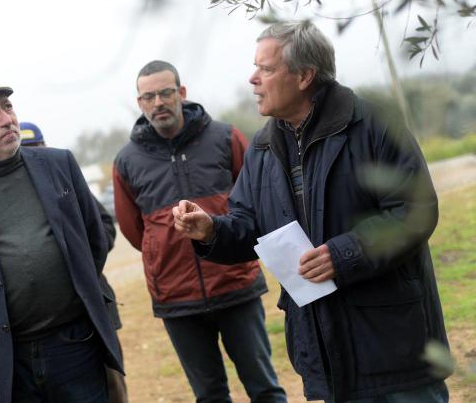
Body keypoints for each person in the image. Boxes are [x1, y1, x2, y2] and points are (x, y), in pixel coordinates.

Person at [172, 21, 450, 403]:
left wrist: (343, 255)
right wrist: (212, 231)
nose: (253, 79)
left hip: (394, 349)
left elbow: (415, 210)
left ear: (304, 76)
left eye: (266, 68)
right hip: (326, 353)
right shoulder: (263, 148)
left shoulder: (373, 125)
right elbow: (250, 225)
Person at [0, 83, 122, 403]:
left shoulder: (59, 165)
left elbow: (94, 241)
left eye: (8, 107)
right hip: (7, 360)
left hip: (76, 345)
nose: (6, 119)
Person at [113, 60, 286, 403]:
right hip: (177, 296)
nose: (158, 103)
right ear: (140, 103)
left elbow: (256, 200)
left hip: (235, 284)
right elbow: (134, 230)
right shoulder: (127, 161)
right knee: (209, 396)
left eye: (165, 93)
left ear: (181, 92)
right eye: (149, 97)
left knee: (265, 388)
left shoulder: (225, 137)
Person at [19, 121, 128, 403]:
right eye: (25, 149)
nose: (33, 153)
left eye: (36, 146)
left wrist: (78, 261)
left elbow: (104, 227)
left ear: (45, 146)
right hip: (49, 332)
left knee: (112, 386)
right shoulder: (13, 199)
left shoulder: (64, 181)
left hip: (93, 307)